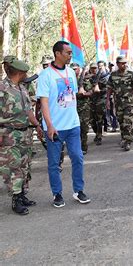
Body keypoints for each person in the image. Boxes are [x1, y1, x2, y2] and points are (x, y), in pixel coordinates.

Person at [37, 41, 91, 208]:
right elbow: (44, 103)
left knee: (78, 157)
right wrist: (49, 125)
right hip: (55, 127)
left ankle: (78, 190)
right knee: (54, 163)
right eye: (67, 52)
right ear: (57, 54)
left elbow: (71, 96)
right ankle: (57, 194)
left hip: (73, 125)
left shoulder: (70, 72)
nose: (70, 55)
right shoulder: (45, 75)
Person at [0, 59, 43, 215]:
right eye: (25, 73)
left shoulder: (22, 88)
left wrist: (37, 125)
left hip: (25, 134)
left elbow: (28, 111)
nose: (27, 75)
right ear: (19, 73)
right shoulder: (2, 88)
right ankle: (16, 200)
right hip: (8, 135)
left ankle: (22, 194)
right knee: (13, 168)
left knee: (25, 166)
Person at [106, 55, 133, 151]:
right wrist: (108, 100)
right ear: (117, 64)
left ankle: (127, 141)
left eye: (125, 63)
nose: (124, 65)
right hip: (118, 103)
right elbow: (109, 88)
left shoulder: (130, 74)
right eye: (122, 63)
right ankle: (125, 137)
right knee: (121, 121)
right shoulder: (113, 75)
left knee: (127, 121)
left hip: (129, 102)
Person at [71, 63, 94, 154]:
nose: (74, 71)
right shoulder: (68, 80)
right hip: (72, 108)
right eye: (72, 69)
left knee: (84, 128)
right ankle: (75, 147)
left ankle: (83, 146)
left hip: (84, 108)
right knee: (74, 129)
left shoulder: (85, 80)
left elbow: (91, 91)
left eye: (75, 69)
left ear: (79, 69)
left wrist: (84, 94)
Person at [89, 62, 107, 145]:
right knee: (92, 121)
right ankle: (97, 133)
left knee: (99, 120)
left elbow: (107, 89)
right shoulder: (88, 78)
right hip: (91, 101)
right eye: (92, 68)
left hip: (100, 100)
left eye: (95, 68)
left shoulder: (103, 78)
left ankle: (99, 136)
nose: (94, 70)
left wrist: (99, 90)